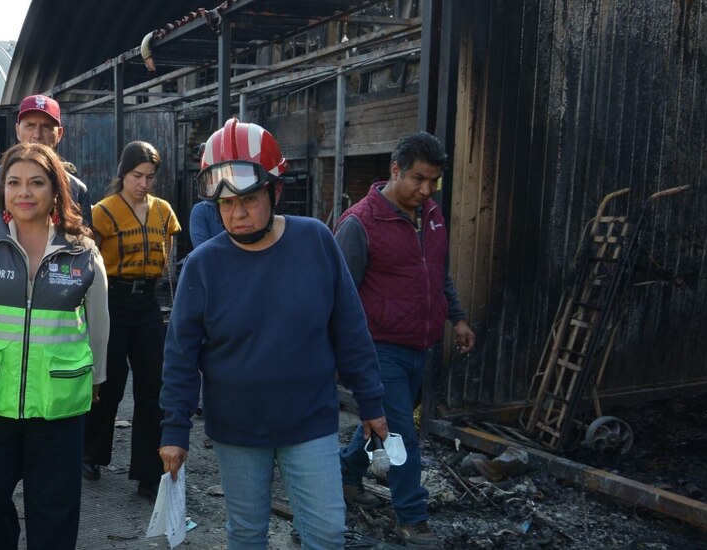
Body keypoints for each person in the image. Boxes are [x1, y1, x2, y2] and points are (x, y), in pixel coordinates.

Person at [158, 119, 387, 549]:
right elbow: (181, 356)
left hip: (311, 421)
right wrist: (174, 429)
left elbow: (350, 329)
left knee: (326, 532)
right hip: (238, 429)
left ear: (275, 192)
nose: (237, 214)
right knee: (246, 534)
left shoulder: (315, 242)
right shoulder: (203, 267)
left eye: (248, 200)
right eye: (225, 205)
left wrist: (372, 402)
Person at [0, 143, 109, 549]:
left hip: (58, 404)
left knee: (55, 507)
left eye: (37, 183)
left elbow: (99, 325)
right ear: (2, 191)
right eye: (14, 183)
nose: (24, 192)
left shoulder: (83, 253)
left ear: (55, 192)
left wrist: (97, 377)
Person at [335, 131, 476, 549]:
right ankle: (411, 519)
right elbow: (337, 295)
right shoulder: (360, 223)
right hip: (378, 351)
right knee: (401, 435)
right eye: (417, 178)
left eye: (433, 181)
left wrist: (458, 316)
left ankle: (345, 476)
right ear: (395, 170)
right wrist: (343, 358)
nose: (426, 189)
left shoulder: (431, 215)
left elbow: (436, 273)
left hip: (420, 346)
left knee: (379, 425)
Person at [82, 141, 180, 498]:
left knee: (153, 387)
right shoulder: (103, 212)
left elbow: (168, 256)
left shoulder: (164, 211)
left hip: (149, 302)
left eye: (150, 177)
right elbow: (87, 259)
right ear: (122, 173)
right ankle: (91, 454)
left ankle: (148, 474)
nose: (143, 183)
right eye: (137, 175)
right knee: (108, 383)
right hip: (113, 300)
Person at [0, 94, 91, 233]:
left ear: (59, 134)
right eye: (30, 125)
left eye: (46, 126)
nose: (37, 134)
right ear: (18, 130)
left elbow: (84, 243)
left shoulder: (75, 188)